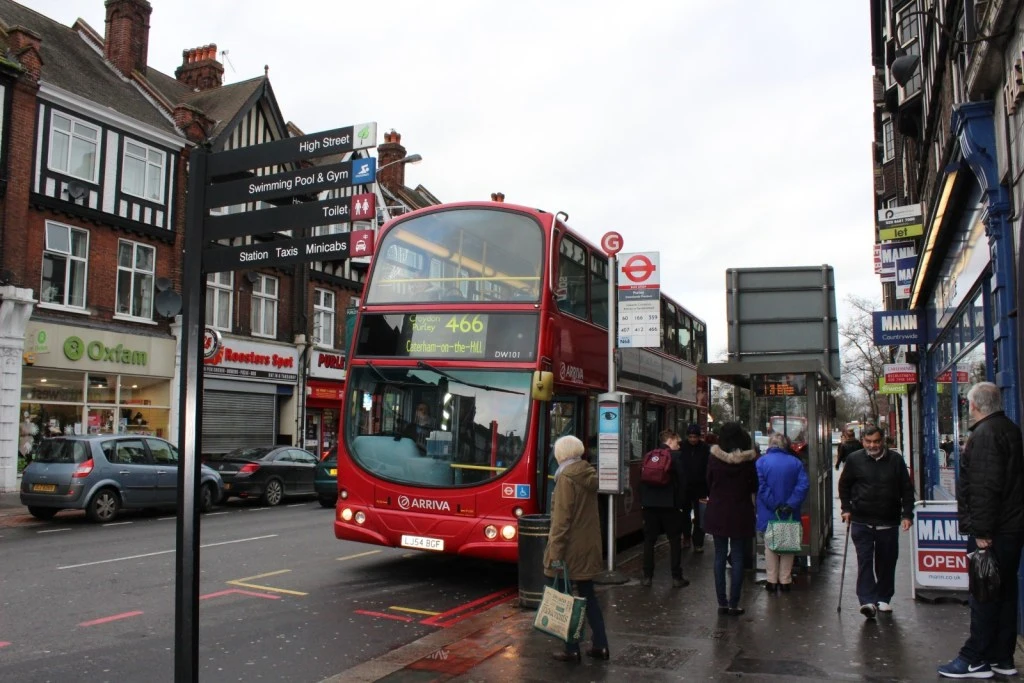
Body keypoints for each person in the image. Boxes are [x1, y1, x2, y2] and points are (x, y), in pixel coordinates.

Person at [938, 382, 1024, 679]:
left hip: (993, 532)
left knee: (985, 593)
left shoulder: (985, 435)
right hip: (1010, 528)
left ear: (974, 405)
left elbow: (986, 487)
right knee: (1005, 592)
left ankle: (975, 658)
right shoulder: (1010, 429)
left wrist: (982, 532)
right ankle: (1003, 656)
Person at [542, 435, 610, 663]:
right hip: (588, 545)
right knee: (588, 595)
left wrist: (554, 553)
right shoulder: (587, 474)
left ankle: (571, 649)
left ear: (562, 454)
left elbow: (561, 520)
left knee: (564, 599)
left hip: (570, 548)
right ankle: (600, 645)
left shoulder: (566, 478)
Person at [838, 425, 914, 620]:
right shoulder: (855, 459)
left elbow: (906, 489)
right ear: (863, 441)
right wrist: (846, 509)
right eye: (869, 442)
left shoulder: (895, 460)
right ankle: (867, 600)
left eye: (876, 442)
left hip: (888, 521)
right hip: (861, 520)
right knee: (864, 561)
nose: (873, 445)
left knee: (886, 561)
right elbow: (844, 485)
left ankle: (883, 597)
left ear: (883, 441)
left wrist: (907, 515)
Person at [703, 422, 758, 615]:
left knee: (719, 556)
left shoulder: (714, 459)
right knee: (737, 556)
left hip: (718, 511)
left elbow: (708, 482)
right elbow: (754, 486)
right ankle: (734, 603)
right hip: (740, 512)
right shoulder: (748, 460)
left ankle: (722, 603)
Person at [755, 432, 810, 593]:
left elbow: (761, 487)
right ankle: (785, 580)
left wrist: (775, 504)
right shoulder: (796, 462)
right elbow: (803, 486)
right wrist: (790, 504)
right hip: (790, 512)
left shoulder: (761, 462)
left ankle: (771, 580)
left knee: (770, 546)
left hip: (769, 511)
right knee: (788, 545)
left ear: (770, 445)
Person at [640, 429, 688, 587]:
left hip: (649, 504)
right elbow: (682, 482)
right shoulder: (676, 457)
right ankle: (676, 577)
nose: (678, 445)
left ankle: (647, 576)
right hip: (670, 505)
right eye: (677, 442)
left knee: (649, 541)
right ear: (671, 440)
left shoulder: (650, 455)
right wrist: (680, 505)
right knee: (674, 540)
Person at [679, 424, 710, 552]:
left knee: (700, 516)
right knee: (684, 514)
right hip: (685, 487)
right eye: (690, 437)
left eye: (695, 437)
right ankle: (686, 537)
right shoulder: (682, 447)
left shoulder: (705, 448)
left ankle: (698, 543)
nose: (692, 439)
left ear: (699, 437)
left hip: (701, 487)